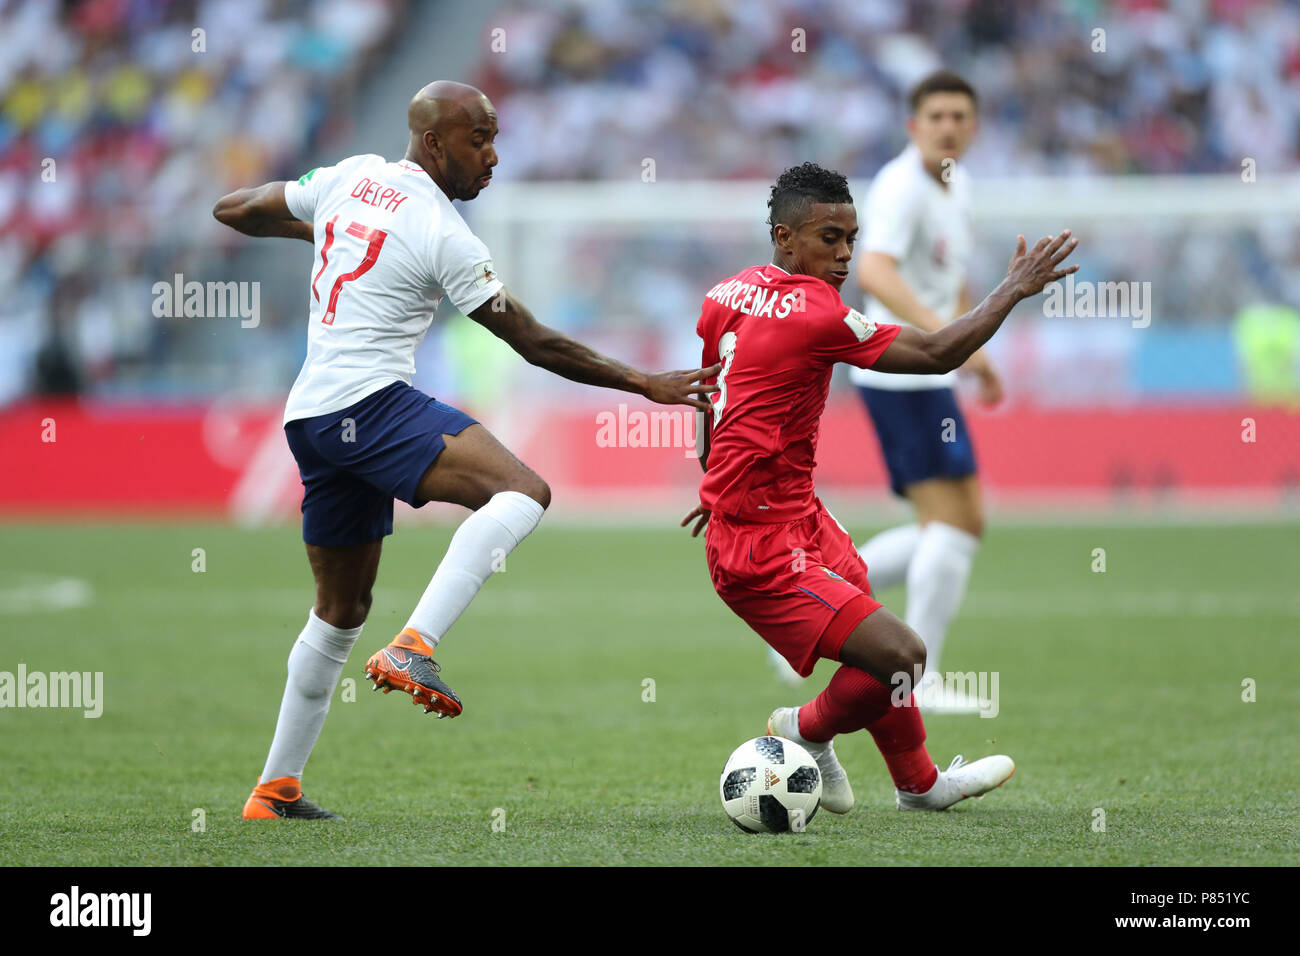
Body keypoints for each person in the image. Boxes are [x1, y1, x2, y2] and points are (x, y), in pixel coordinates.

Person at [214, 81, 719, 820]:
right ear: (433, 143)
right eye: (478, 139)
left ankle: (274, 788)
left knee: (340, 609)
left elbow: (236, 208)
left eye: (495, 138)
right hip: (370, 403)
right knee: (523, 492)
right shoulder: (441, 231)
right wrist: (644, 381)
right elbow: (533, 341)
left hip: (311, 420)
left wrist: (330, 225)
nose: (492, 156)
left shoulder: (348, 178)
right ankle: (416, 643)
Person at [683, 162, 1076, 812]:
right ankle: (803, 728)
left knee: (873, 631)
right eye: (828, 238)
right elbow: (934, 354)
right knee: (903, 656)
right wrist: (1013, 289)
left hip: (798, 514)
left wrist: (714, 477)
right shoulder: (817, 315)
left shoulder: (726, 293)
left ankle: (918, 785)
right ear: (785, 238)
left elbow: (709, 391)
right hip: (757, 548)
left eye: (850, 239)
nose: (843, 255)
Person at [838, 71, 999, 712]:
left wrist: (974, 351)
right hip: (899, 372)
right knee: (955, 526)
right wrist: (944, 336)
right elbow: (874, 270)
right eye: (936, 116)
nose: (948, 127)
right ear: (914, 126)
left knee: (956, 523)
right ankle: (916, 678)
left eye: (960, 116)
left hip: (931, 371)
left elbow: (951, 282)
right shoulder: (901, 187)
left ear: (974, 126)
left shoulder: (958, 187)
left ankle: (818, 598)